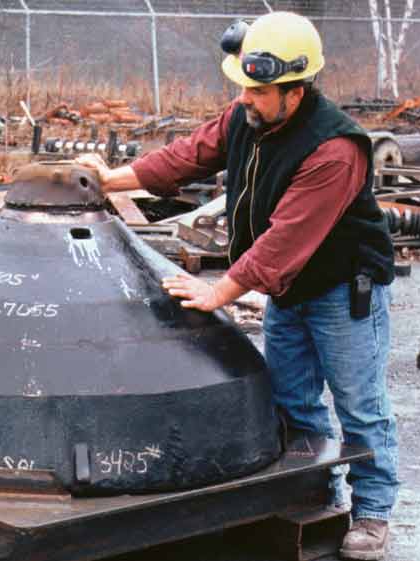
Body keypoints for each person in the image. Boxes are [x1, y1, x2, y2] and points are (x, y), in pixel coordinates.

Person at [76, 11, 398, 561]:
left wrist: (220, 291)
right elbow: (185, 158)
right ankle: (316, 491)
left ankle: (371, 511)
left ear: (295, 91)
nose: (246, 98)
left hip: (343, 290)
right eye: (244, 86)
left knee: (359, 404)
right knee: (292, 398)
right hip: (289, 289)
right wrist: (109, 179)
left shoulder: (336, 150)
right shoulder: (247, 118)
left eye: (260, 90)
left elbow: (285, 240)